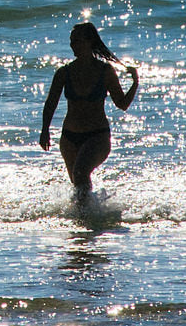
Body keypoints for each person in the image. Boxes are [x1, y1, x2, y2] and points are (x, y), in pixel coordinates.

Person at [40, 22, 138, 200]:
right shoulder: (64, 72)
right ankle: (87, 220)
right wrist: (44, 130)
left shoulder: (105, 71)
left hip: (97, 136)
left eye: (76, 41)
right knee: (78, 184)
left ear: (89, 42)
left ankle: (89, 218)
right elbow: (50, 104)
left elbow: (122, 104)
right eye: (71, 41)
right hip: (69, 137)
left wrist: (135, 83)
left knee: (80, 173)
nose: (72, 45)